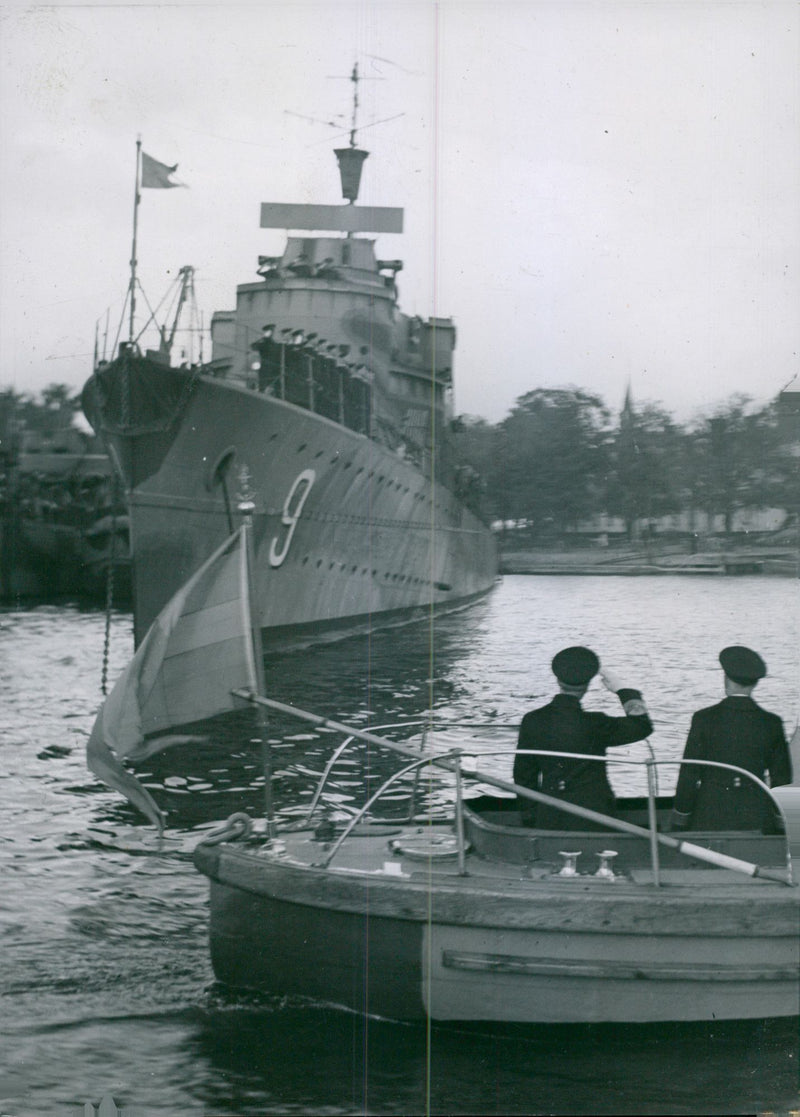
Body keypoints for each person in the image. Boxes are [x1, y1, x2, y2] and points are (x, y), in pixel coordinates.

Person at [513, 646, 653, 830]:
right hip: (597, 816)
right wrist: (623, 690)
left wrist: (531, 818)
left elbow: (523, 777)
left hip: (550, 816)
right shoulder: (597, 723)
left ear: (557, 678)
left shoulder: (532, 720)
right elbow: (642, 726)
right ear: (588, 684)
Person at [670, 646, 792, 832]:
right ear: (754, 684)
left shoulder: (703, 718)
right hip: (758, 817)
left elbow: (688, 775)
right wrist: (780, 825)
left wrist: (680, 820)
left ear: (725, 679)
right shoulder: (772, 723)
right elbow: (781, 779)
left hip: (708, 817)